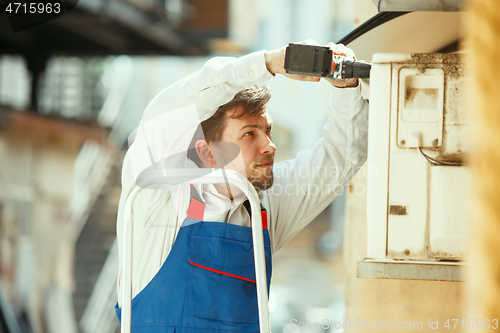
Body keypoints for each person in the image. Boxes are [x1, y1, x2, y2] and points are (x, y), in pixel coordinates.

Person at [114, 40, 369, 332]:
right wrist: (268, 63)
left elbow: (340, 157)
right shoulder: (161, 197)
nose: (270, 146)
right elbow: (167, 112)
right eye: (250, 134)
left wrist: (347, 88)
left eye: (268, 130)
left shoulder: (263, 208)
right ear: (207, 152)